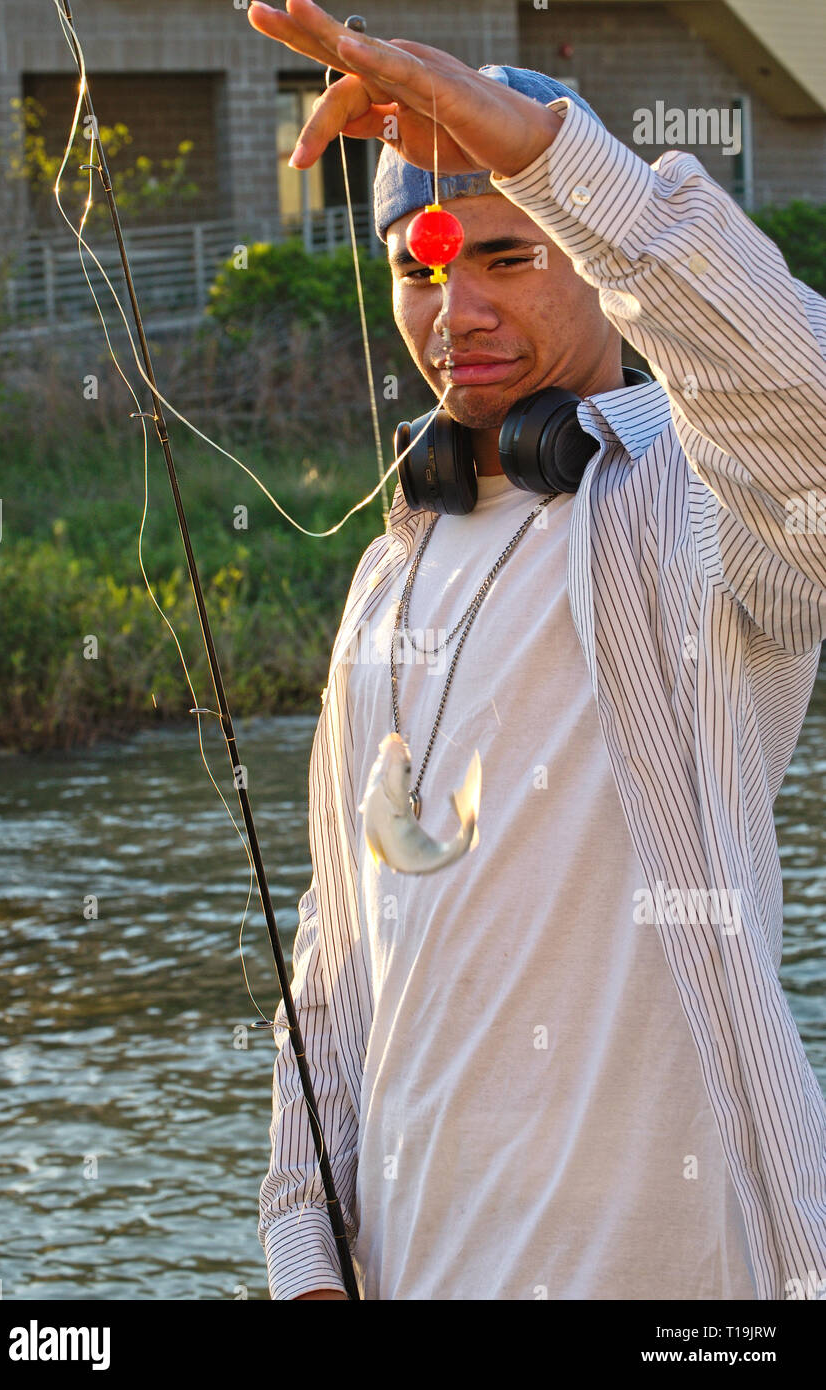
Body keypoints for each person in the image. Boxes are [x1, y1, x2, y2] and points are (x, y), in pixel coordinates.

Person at [248, 0, 826, 1301]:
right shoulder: (388, 571)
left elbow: (808, 408)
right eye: (424, 264)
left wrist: (553, 155)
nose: (460, 309)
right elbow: (337, 954)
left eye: (512, 254)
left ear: (586, 253)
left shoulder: (702, 500)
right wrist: (303, 1258)